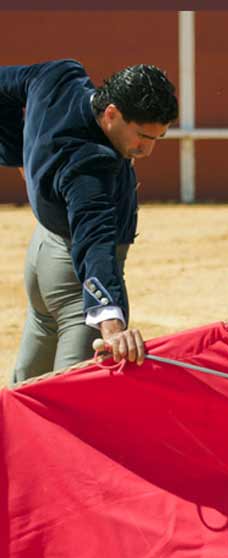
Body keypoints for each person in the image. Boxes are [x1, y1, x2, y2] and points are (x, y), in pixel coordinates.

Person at [0, 59, 178, 383]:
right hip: (73, 281)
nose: (148, 149)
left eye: (158, 137)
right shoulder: (92, 163)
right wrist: (110, 319)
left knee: (26, 386)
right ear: (111, 114)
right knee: (71, 401)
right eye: (142, 136)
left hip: (40, 257)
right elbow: (94, 238)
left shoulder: (59, 76)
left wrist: (14, 156)